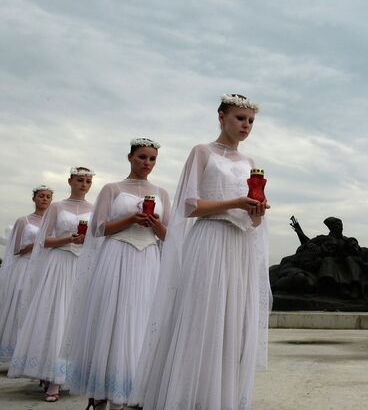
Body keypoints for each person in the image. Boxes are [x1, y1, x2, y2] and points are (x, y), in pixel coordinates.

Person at [129, 94, 271, 410]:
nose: (246, 126)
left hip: (239, 246)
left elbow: (253, 221)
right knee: (201, 316)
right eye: (239, 118)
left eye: (250, 121)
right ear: (221, 117)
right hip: (209, 241)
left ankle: (217, 400)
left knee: (230, 323)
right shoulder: (202, 152)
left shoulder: (249, 164)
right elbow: (189, 205)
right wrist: (234, 202)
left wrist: (256, 211)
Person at [63, 138, 170, 409]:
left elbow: (169, 236)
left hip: (148, 260)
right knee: (113, 319)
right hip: (116, 258)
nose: (147, 163)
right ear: (130, 157)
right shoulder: (113, 189)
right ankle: (101, 393)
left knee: (141, 321)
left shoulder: (161, 193)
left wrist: (155, 224)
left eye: (152, 159)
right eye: (142, 157)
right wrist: (131, 219)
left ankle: (128, 393)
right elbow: (98, 229)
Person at [9, 167, 95, 401]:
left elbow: (98, 239)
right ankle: (51, 377)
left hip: (80, 266)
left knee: (73, 317)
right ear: (70, 181)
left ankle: (64, 375)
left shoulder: (94, 209)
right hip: (59, 265)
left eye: (88, 181)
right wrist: (68, 238)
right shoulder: (57, 207)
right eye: (80, 180)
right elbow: (42, 240)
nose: (84, 184)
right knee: (54, 316)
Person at [0, 185, 53, 361]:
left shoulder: (51, 221)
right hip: (24, 267)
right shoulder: (24, 221)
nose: (44, 199)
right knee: (20, 306)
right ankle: (13, 349)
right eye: (41, 196)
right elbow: (15, 249)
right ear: (34, 199)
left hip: (43, 268)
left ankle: (31, 351)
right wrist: (34, 245)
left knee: (36, 308)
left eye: (48, 197)